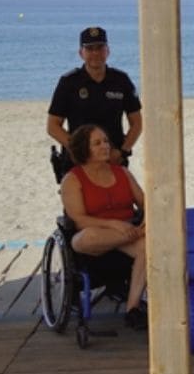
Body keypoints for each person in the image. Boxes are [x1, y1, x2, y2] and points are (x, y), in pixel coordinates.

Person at [60, 124, 148, 330]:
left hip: (125, 234)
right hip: (95, 237)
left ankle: (132, 309)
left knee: (147, 248)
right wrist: (113, 225)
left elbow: (145, 203)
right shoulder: (72, 179)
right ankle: (137, 234)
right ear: (84, 149)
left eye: (106, 141)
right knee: (87, 237)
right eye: (97, 143)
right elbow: (79, 219)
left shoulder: (123, 173)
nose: (105, 146)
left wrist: (145, 221)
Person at [47, 27, 143, 177]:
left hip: (113, 161)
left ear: (108, 51)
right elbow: (53, 126)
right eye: (90, 49)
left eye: (100, 48)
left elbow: (137, 123)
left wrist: (122, 151)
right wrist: (79, 151)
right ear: (81, 53)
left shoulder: (121, 80)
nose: (95, 53)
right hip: (78, 163)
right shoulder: (69, 82)